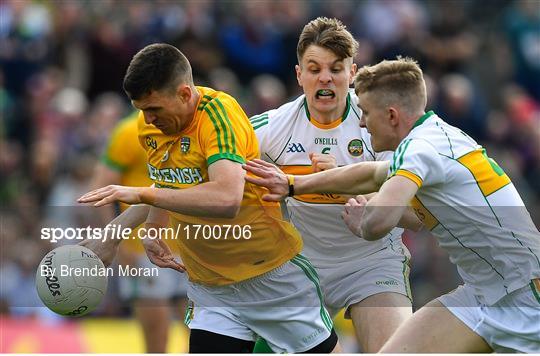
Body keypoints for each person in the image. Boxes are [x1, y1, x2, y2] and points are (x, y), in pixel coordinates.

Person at [243, 57, 540, 353]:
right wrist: (294, 185)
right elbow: (370, 173)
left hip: (527, 297)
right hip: (480, 295)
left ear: (392, 116)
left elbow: (377, 223)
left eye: (367, 113)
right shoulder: (429, 138)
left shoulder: (420, 149)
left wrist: (363, 218)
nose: (361, 122)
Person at [78, 43, 339, 353]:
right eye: (142, 110)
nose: (147, 119)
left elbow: (227, 198)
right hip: (210, 288)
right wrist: (133, 232)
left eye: (155, 109)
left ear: (186, 94)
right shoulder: (148, 126)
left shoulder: (219, 116)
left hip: (270, 276)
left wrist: (140, 194)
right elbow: (169, 184)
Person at [250, 17, 412, 352]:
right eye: (314, 68)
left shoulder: (382, 126)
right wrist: (137, 220)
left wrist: (344, 183)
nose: (325, 77)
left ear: (353, 74)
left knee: (393, 351)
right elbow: (201, 170)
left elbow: (417, 216)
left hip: (371, 261)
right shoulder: (272, 128)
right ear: (299, 76)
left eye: (336, 69)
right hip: (300, 267)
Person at [90, 111, 188, 353]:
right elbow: (100, 188)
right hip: (140, 250)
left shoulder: (189, 128)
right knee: (157, 335)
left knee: (199, 331)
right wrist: (116, 242)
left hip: (188, 246)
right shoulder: (128, 131)